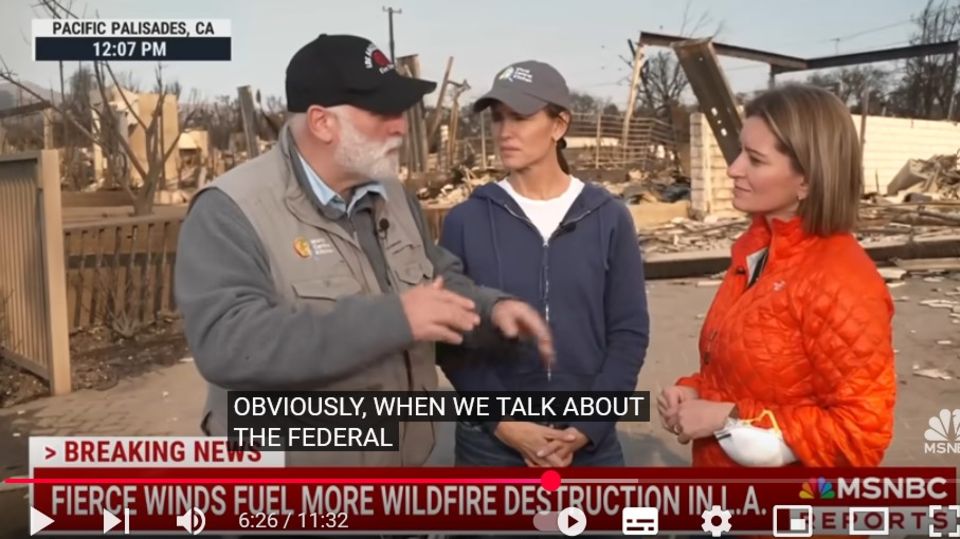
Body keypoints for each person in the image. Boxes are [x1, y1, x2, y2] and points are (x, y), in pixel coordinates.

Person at [174, 34, 554, 467]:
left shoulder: (391, 194)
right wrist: (397, 319)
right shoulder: (231, 209)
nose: (401, 126)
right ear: (322, 123)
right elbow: (229, 343)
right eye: (382, 113)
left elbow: (438, 281)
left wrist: (489, 309)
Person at [658, 84, 896, 469]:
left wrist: (727, 417)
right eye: (739, 151)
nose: (733, 168)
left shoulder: (842, 282)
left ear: (807, 179)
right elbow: (757, 370)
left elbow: (859, 436)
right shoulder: (756, 251)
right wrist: (695, 390)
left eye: (755, 159)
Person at [438, 61, 650, 468]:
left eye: (520, 116)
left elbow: (628, 332)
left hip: (590, 446)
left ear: (559, 125)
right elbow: (450, 337)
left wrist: (589, 425)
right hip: (491, 448)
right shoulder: (466, 221)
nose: (504, 131)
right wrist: (502, 421)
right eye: (498, 118)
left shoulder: (608, 217)